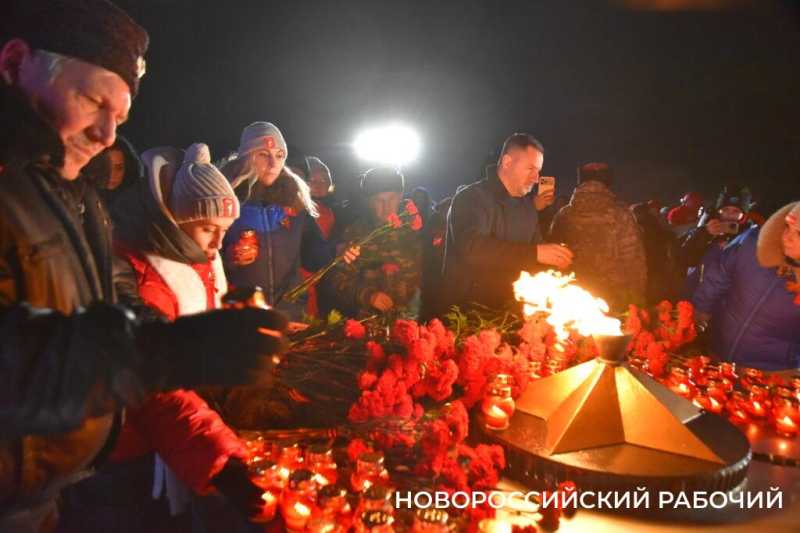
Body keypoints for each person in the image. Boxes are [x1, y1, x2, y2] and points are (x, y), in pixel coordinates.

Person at [0, 3, 287, 529]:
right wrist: (165, 352)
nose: (108, 134)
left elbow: (115, 313)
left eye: (122, 117)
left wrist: (198, 346)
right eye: (92, 100)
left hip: (46, 499)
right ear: (15, 64)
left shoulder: (70, 194)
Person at [441, 133, 573, 313]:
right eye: (530, 169)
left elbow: (535, 247)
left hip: (512, 312)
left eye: (538, 171)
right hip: (468, 314)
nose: (536, 178)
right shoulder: (471, 198)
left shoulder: (527, 206)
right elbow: (472, 249)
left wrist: (555, 257)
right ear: (507, 162)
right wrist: (535, 253)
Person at [221, 122, 318, 320]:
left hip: (288, 314)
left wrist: (339, 249)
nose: (274, 164)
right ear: (246, 156)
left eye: (280, 155)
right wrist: (228, 258)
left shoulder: (295, 200)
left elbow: (313, 250)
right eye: (263, 154)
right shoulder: (223, 198)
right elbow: (202, 257)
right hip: (241, 316)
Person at [692, 201, 800, 370]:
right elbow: (717, 277)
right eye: (787, 227)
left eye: (799, 233)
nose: (787, 237)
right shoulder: (753, 241)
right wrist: (700, 311)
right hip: (717, 352)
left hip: (766, 373)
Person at [550, 162, 647, 310]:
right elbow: (634, 261)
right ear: (607, 181)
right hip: (614, 300)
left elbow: (552, 258)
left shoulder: (563, 215)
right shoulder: (621, 214)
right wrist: (637, 300)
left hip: (572, 299)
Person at [330, 167, 423, 317]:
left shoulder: (414, 230)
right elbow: (338, 282)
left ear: (400, 197)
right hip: (368, 323)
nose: (386, 207)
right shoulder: (356, 234)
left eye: (391, 199)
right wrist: (368, 296)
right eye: (379, 200)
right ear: (369, 202)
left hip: (409, 322)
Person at [678, 186, 755, 298]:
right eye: (725, 210)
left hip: (719, 302)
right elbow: (684, 259)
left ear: (744, 216)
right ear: (718, 211)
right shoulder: (706, 228)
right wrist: (704, 233)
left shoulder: (748, 238)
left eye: (736, 211)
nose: (729, 216)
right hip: (691, 294)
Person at [300, 155, 350, 316]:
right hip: (303, 286)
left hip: (331, 285)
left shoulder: (338, 212)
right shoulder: (297, 210)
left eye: (324, 180)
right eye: (313, 180)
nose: (319, 185)